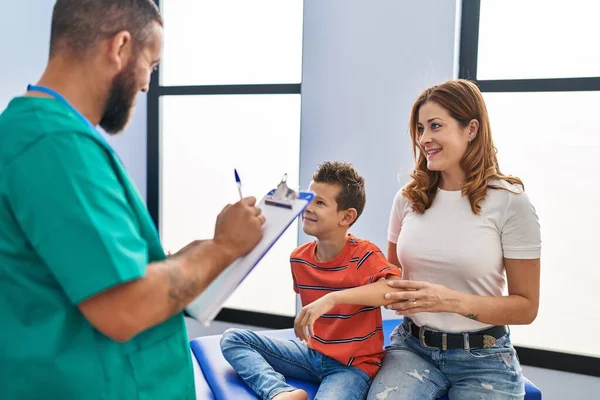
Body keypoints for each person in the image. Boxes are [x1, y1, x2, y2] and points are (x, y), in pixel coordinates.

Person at [0, 1, 265, 399]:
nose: (146, 84)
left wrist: (192, 255)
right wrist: (225, 247)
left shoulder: (32, 131)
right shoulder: (55, 144)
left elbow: (90, 271)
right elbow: (125, 307)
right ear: (120, 47)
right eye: (151, 64)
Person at [366, 79, 541, 400]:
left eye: (435, 126)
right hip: (412, 348)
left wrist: (450, 301)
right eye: (420, 129)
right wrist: (333, 293)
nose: (424, 139)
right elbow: (390, 281)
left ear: (471, 129)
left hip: (483, 358)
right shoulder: (408, 199)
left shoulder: (509, 201)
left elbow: (526, 307)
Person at [220, 161, 403, 400]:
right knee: (233, 339)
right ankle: (279, 392)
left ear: (346, 216)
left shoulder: (364, 255)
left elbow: (392, 289)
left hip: (351, 366)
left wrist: (333, 298)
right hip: (312, 354)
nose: (308, 207)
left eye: (320, 203)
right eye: (308, 198)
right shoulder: (299, 259)